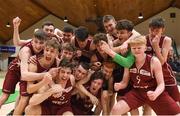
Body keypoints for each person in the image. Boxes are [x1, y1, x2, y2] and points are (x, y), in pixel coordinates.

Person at [111, 35, 180, 115]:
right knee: (115, 110)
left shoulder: (154, 61)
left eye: (139, 48)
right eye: (134, 48)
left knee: (176, 113)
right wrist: (120, 85)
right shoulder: (129, 62)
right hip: (138, 92)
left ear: (145, 48)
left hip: (153, 91)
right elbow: (124, 83)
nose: (136, 50)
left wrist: (155, 93)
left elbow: (161, 84)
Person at [0, 29, 47, 112]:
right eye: (36, 42)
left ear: (45, 43)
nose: (38, 45)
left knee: (24, 98)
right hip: (16, 70)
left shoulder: (46, 49)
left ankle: (15, 112)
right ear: (32, 41)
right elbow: (24, 75)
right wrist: (46, 74)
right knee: (5, 96)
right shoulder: (26, 51)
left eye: (41, 43)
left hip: (28, 72)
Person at [145, 17, 180, 103]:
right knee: (148, 104)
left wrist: (156, 47)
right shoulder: (144, 39)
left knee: (176, 101)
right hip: (150, 75)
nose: (153, 33)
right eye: (151, 30)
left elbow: (162, 62)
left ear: (162, 30)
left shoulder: (166, 40)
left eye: (157, 31)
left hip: (165, 73)